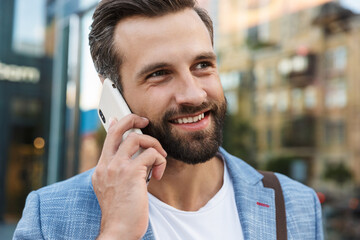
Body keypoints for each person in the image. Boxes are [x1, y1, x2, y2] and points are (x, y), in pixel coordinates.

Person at [13, 0, 323, 239]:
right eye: (159, 73)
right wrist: (117, 232)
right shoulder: (48, 216)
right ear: (113, 95)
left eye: (202, 64)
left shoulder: (297, 204)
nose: (193, 94)